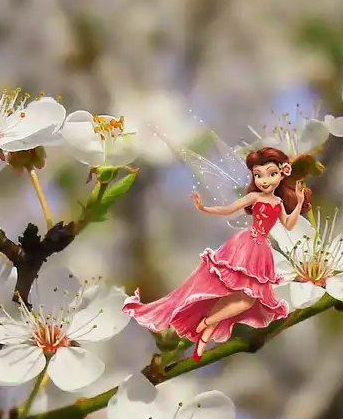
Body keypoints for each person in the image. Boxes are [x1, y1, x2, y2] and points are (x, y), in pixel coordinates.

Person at [124, 147, 308, 358]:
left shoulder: (278, 202)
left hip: (261, 251)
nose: (264, 180)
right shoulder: (254, 197)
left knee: (239, 299)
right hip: (246, 245)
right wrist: (203, 208)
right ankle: (206, 324)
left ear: (280, 176)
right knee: (232, 295)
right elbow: (229, 209)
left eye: (271, 174)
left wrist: (299, 202)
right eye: (258, 175)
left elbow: (288, 223)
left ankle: (205, 332)